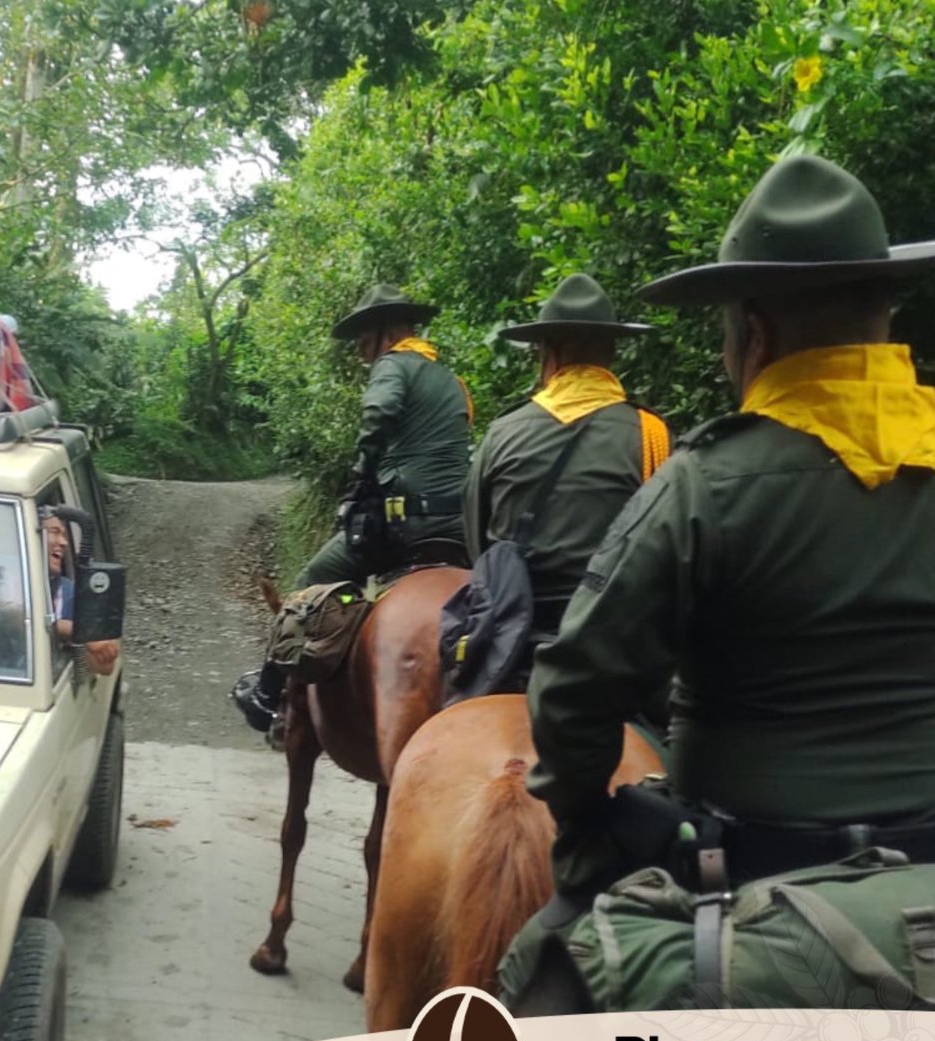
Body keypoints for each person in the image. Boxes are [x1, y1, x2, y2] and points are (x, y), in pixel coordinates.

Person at [506, 154, 935, 978]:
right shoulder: (655, 438)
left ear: (754, 334)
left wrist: (587, 835)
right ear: (884, 313)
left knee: (534, 979)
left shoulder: (708, 485)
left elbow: (573, 690)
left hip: (752, 866)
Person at [232, 283, 472, 733]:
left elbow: (378, 414)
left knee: (310, 584)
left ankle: (266, 695)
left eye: (365, 336)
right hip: (460, 529)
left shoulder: (394, 364)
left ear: (388, 331)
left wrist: (361, 476)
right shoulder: (449, 378)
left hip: (408, 527)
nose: (361, 348)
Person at [463, 272, 669, 634]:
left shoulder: (502, 433)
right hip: (614, 638)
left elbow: (477, 543)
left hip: (515, 634)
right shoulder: (653, 435)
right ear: (613, 354)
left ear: (549, 354)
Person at [43, 512, 120, 676]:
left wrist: (102, 648)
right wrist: (71, 629)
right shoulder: (2, 580)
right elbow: (8, 618)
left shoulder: (70, 594)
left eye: (64, 535)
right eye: (55, 532)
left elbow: (104, 669)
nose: (64, 542)